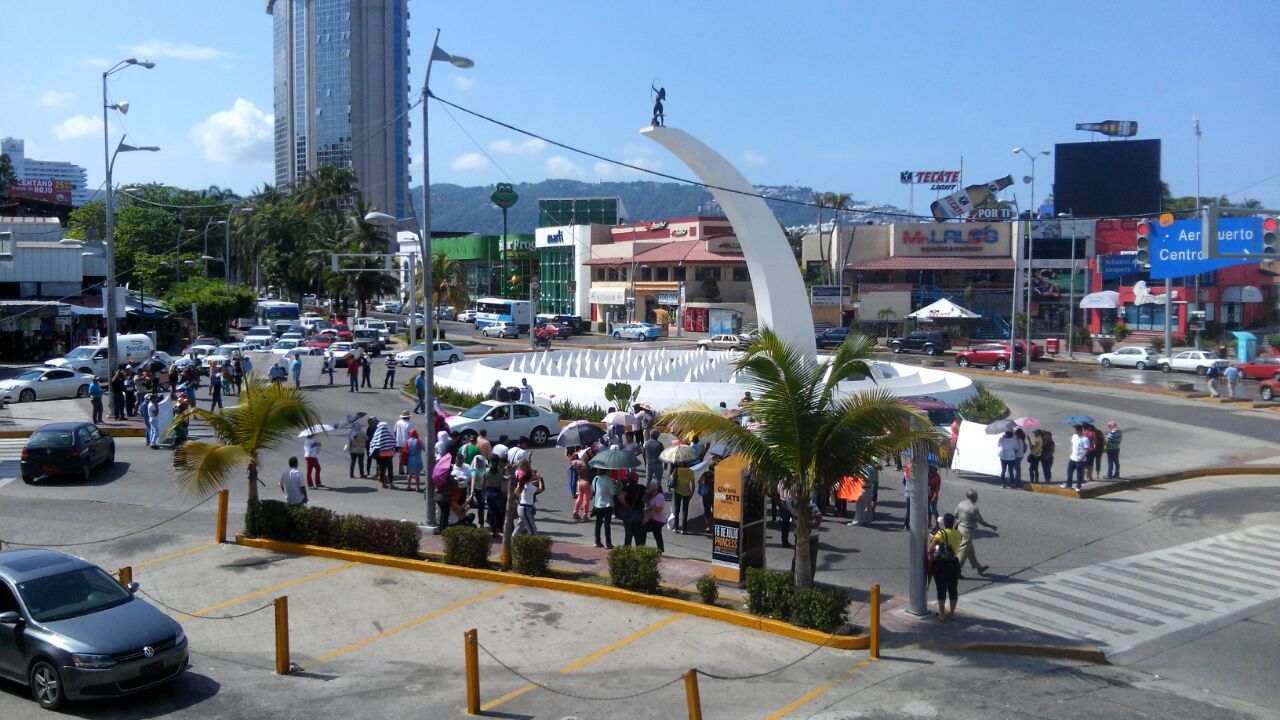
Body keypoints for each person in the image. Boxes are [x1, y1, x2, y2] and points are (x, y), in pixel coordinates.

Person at [929, 513, 962, 620]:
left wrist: (932, 538)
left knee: (941, 588)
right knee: (953, 589)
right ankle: (952, 613)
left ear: (944, 522)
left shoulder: (941, 533)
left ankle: (942, 614)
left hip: (941, 564)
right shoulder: (958, 533)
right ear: (953, 522)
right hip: (954, 563)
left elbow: (931, 546)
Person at [955, 490, 996, 575]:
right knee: (964, 551)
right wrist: (991, 526)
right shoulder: (973, 508)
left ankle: (978, 566)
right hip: (967, 531)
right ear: (973, 497)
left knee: (970, 550)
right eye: (976, 496)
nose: (977, 498)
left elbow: (955, 514)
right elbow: (981, 521)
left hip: (960, 528)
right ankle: (955, 570)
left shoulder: (961, 504)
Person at [512, 459, 543, 536]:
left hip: (524, 503)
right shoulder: (528, 483)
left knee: (520, 525)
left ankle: (513, 539)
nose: (520, 467)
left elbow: (517, 491)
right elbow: (540, 489)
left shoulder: (527, 477)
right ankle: (532, 541)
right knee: (532, 528)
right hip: (525, 506)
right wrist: (539, 480)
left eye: (521, 465)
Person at [618, 473, 647, 546]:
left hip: (629, 513)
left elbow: (621, 498)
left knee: (628, 533)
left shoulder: (626, 488)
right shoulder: (642, 487)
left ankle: (627, 549)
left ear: (629, 480)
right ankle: (638, 549)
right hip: (639, 512)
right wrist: (643, 502)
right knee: (638, 533)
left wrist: (627, 506)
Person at [482, 456, 507, 537]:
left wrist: (483, 494)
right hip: (498, 493)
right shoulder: (501, 471)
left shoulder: (486, 471)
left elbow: (483, 484)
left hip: (489, 493)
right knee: (502, 512)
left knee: (492, 512)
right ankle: (503, 528)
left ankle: (494, 531)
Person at [590, 470, 617, 548]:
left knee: (598, 523)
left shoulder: (596, 478)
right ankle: (608, 543)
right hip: (607, 504)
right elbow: (612, 492)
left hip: (597, 504)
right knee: (607, 524)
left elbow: (593, 489)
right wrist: (615, 486)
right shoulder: (608, 480)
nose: (611, 472)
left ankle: (597, 541)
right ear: (606, 471)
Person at [641, 483, 668, 552]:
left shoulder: (660, 497)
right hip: (653, 518)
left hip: (658, 520)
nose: (651, 493)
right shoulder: (652, 496)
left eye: (652, 491)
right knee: (657, 534)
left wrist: (650, 507)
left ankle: (641, 547)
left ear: (656, 490)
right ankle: (660, 549)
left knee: (643, 529)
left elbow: (659, 510)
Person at [670, 462, 695, 534]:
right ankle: (683, 529)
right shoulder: (691, 472)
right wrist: (691, 495)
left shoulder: (677, 470)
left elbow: (671, 478)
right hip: (686, 493)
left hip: (677, 491)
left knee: (676, 509)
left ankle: (675, 527)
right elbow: (693, 486)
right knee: (685, 511)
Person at [370, 420, 397, 488]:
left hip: (380, 454)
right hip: (388, 454)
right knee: (390, 469)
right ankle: (391, 483)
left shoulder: (377, 434)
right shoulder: (388, 433)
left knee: (382, 468)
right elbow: (393, 442)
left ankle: (383, 483)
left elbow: (373, 443)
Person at [1065, 424, 1089, 490]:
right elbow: (1073, 445)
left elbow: (1087, 450)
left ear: (1080, 430)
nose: (1075, 431)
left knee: (1079, 474)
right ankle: (1069, 485)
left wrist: (1081, 458)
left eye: (1076, 430)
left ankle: (1078, 486)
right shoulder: (1074, 436)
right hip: (1072, 458)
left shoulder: (1085, 438)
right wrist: (1071, 454)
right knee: (1069, 472)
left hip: (1080, 459)